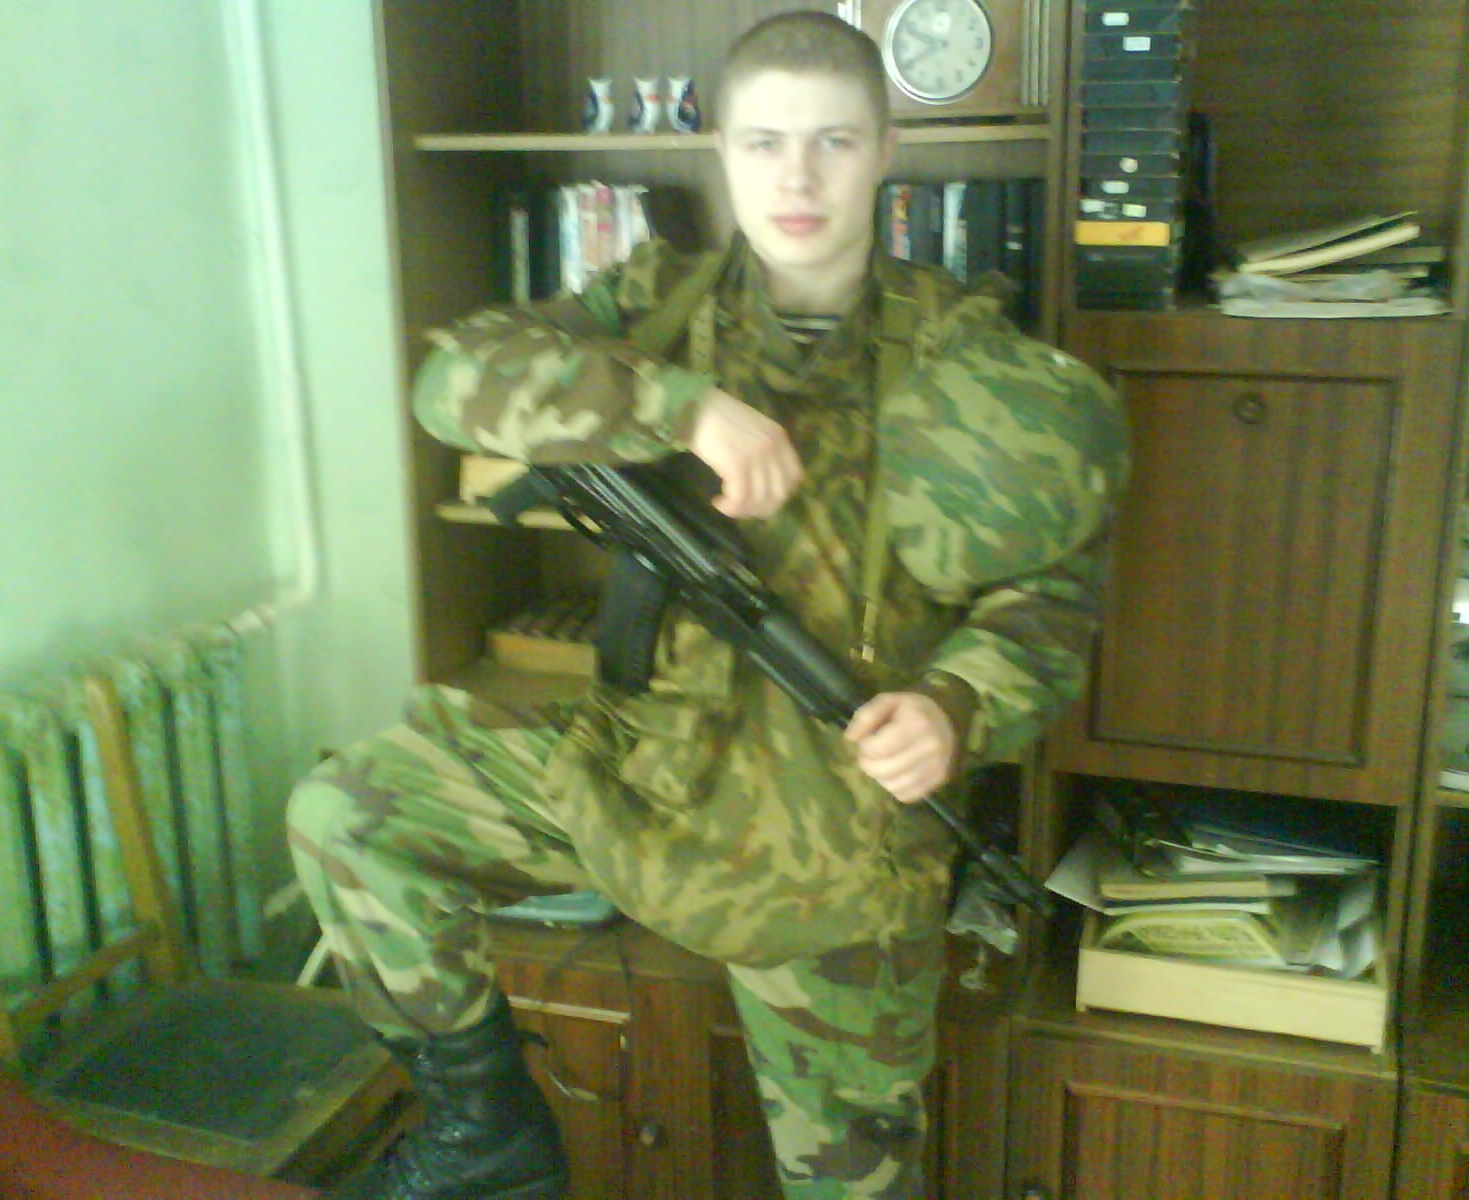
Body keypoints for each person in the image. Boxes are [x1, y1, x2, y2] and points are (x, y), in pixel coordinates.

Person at [287, 12, 1127, 1200]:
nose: (796, 179)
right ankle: (485, 1133)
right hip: (646, 774)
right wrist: (675, 407)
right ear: (719, 152)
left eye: (833, 142)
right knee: (349, 809)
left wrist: (955, 705)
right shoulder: (654, 307)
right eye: (763, 143)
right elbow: (452, 380)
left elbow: (1052, 596)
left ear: (885, 152)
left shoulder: (966, 362)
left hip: (835, 839)